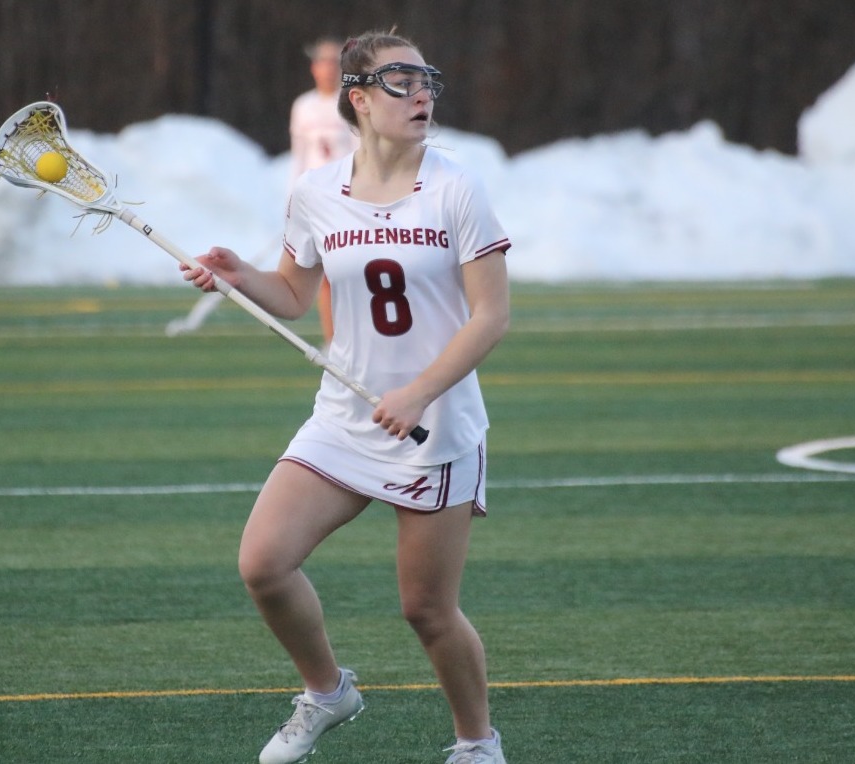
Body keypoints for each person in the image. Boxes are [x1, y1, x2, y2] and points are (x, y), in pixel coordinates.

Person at [179, 30, 510, 764]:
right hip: (344, 417)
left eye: (426, 78)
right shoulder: (316, 191)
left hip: (437, 428)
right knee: (263, 563)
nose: (422, 92)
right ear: (357, 100)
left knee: (426, 610)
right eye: (400, 81)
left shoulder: (457, 186)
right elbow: (295, 293)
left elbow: (493, 316)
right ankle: (328, 692)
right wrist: (238, 275)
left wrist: (422, 391)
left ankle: (476, 744)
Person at [166, 36, 356, 340]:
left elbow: (360, 154)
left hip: (347, 200)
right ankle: (335, 342)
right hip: (315, 203)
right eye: (323, 61)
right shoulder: (304, 106)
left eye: (336, 62)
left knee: (346, 275)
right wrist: (294, 200)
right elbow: (300, 156)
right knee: (319, 277)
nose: (329, 69)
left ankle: (351, 339)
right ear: (313, 67)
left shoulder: (351, 103)